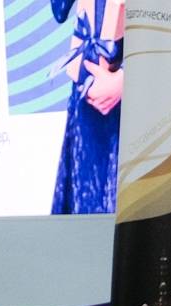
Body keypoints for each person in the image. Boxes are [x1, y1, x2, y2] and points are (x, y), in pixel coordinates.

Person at [50, 0, 124, 214]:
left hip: (141, 101)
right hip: (88, 98)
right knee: (86, 214)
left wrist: (126, 77)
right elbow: (59, 10)